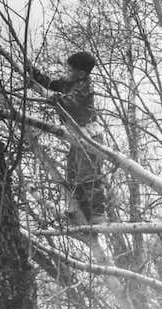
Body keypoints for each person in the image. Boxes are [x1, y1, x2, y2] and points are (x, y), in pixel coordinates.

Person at [28, 51, 106, 224]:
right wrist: (34, 75)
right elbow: (51, 83)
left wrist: (56, 98)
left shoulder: (84, 87)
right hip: (76, 136)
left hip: (89, 136)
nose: (65, 73)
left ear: (81, 74)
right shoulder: (67, 82)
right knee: (72, 174)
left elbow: (70, 103)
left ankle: (97, 214)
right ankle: (80, 211)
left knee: (89, 174)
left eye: (69, 70)